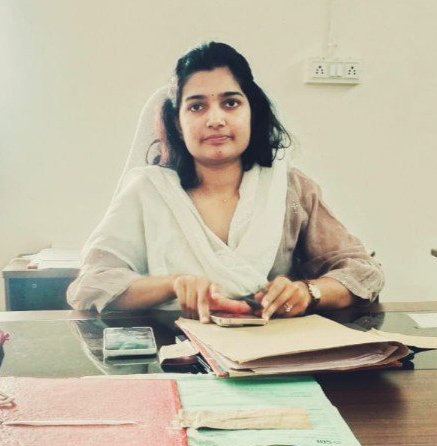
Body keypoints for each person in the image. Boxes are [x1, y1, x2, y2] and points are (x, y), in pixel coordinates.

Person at [66, 42, 384, 322]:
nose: (215, 120)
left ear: (252, 112)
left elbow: (362, 272)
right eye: (197, 106)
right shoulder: (147, 191)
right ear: (177, 123)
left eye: (230, 103)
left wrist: (309, 292)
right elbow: (92, 285)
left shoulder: (290, 189)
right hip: (173, 354)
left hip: (273, 354)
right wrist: (174, 285)